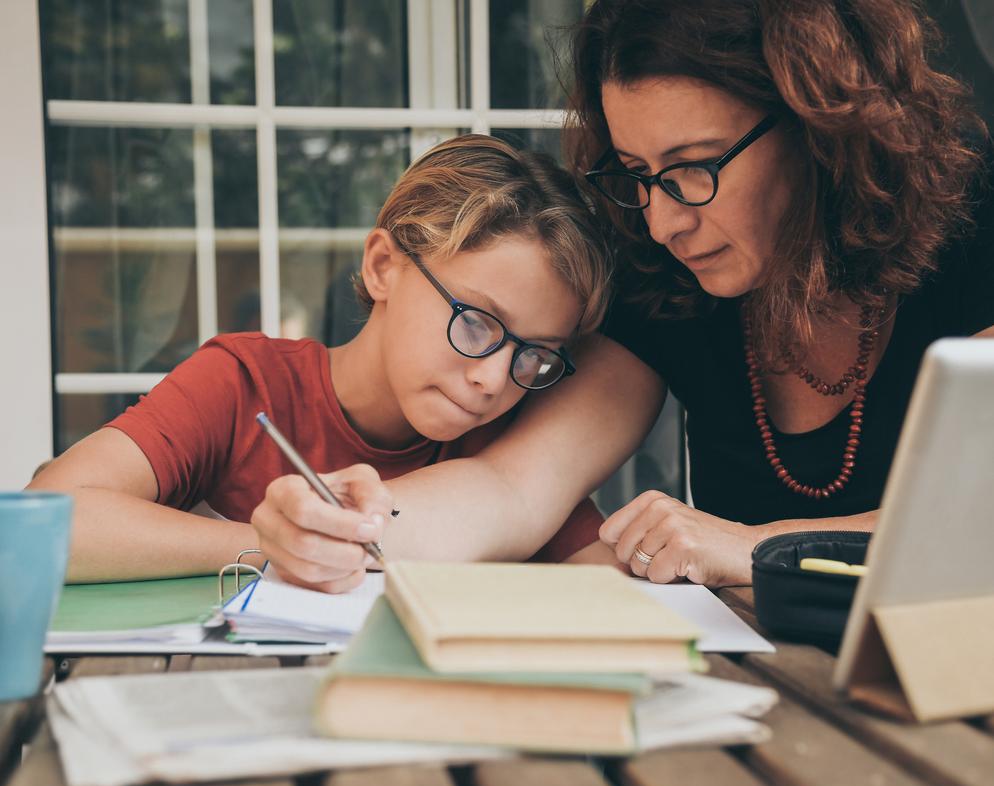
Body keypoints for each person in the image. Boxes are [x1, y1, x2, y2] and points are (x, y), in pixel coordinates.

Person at [250, 0, 994, 591]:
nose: (665, 219)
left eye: (693, 166)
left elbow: (976, 523)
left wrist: (759, 546)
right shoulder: (670, 276)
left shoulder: (975, 228)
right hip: (775, 698)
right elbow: (511, 488)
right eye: (637, 173)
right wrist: (346, 527)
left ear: (818, 126)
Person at [30, 134, 615, 589]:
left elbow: (607, 586)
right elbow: (45, 521)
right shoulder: (244, 384)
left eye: (534, 355)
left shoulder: (512, 443)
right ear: (384, 266)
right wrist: (273, 545)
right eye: (475, 322)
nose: (492, 379)